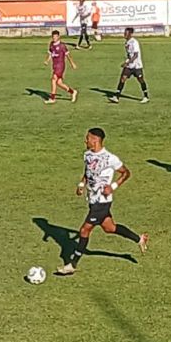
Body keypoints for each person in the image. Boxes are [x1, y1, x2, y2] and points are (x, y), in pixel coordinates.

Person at [57, 127, 148, 275]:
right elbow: (87, 171)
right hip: (93, 200)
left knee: (84, 230)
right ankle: (139, 239)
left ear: (95, 140)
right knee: (109, 228)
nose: (85, 140)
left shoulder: (110, 158)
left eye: (88, 138)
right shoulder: (87, 154)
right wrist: (81, 184)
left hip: (102, 201)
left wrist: (113, 186)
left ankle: (72, 265)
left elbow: (126, 173)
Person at [109, 27, 150, 104]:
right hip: (129, 66)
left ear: (130, 34)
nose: (124, 35)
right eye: (124, 33)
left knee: (140, 80)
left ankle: (146, 96)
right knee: (123, 78)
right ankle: (116, 97)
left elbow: (136, 55)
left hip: (137, 65)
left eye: (126, 33)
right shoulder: (127, 43)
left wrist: (127, 63)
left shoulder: (134, 42)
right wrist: (127, 61)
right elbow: (129, 54)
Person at [43, 30, 78, 104]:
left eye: (56, 36)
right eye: (53, 37)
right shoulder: (51, 44)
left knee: (53, 79)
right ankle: (73, 92)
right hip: (55, 65)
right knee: (59, 83)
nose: (54, 38)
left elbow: (68, 55)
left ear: (59, 37)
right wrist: (47, 61)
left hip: (60, 65)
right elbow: (50, 54)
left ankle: (52, 98)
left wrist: (72, 63)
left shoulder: (62, 46)